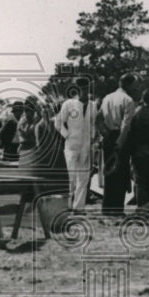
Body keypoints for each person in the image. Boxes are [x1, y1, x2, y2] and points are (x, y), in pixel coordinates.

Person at [119, 88, 149, 206]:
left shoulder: (134, 115)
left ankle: (141, 208)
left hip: (138, 153)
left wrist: (134, 151)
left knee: (140, 182)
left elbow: (129, 135)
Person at [99, 73, 137, 215]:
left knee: (109, 173)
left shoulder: (107, 98)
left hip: (108, 136)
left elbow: (99, 118)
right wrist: (120, 142)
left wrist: (105, 135)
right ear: (128, 84)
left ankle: (107, 207)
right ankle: (116, 209)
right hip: (120, 137)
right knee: (120, 174)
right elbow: (126, 125)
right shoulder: (128, 100)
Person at [57, 78, 97, 213]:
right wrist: (67, 135)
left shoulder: (93, 105)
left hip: (86, 145)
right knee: (71, 176)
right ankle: (67, 205)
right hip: (71, 145)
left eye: (86, 87)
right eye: (81, 88)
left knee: (84, 177)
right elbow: (58, 123)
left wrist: (92, 138)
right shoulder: (69, 104)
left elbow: (94, 124)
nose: (83, 91)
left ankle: (79, 207)